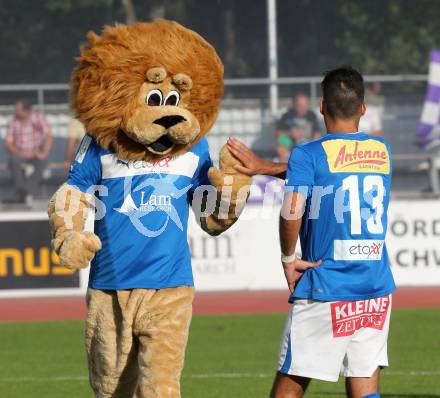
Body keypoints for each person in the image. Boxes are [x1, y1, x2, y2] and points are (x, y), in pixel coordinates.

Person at [228, 66, 395, 398]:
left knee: (289, 388)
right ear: (363, 108)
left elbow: (292, 209)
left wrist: (288, 259)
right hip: (375, 287)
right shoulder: (382, 153)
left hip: (326, 284)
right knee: (365, 386)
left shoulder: (308, 154)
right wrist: (266, 168)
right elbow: (334, 171)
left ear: (321, 107)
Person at [4, 99, 52, 203]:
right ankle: (24, 193)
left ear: (26, 110)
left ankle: (23, 192)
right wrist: (20, 153)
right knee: (13, 161)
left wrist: (44, 152)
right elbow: (8, 144)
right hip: (19, 152)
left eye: (18, 109)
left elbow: (48, 136)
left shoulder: (38, 118)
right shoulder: (13, 122)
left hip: (35, 152)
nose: (15, 111)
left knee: (42, 161)